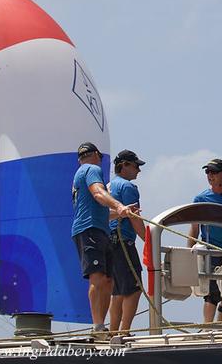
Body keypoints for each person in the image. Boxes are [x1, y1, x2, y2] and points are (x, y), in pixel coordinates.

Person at [71, 142, 136, 339]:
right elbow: (99, 193)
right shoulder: (91, 169)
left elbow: (100, 212)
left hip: (99, 229)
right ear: (98, 155)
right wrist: (119, 204)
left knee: (108, 281)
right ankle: (98, 326)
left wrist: (120, 212)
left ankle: (102, 327)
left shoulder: (80, 173)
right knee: (98, 278)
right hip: (89, 230)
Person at [188, 158, 222, 323]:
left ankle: (221, 330)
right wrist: (188, 252)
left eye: (213, 172)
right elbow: (194, 228)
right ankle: (208, 328)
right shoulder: (200, 199)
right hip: (210, 251)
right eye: (207, 172)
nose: (209, 175)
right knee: (211, 294)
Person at [108, 150, 147, 336]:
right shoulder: (128, 188)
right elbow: (135, 220)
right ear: (124, 165)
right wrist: (150, 242)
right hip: (123, 240)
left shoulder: (107, 186)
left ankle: (113, 332)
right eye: (135, 165)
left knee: (118, 290)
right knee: (134, 288)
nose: (139, 170)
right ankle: (124, 332)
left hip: (108, 241)